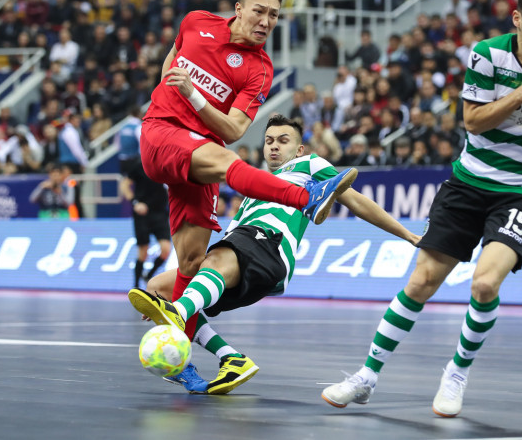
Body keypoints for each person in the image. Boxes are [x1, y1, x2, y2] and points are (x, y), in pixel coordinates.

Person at [321, 0, 522, 417]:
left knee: (484, 284)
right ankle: (366, 376)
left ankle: (457, 373)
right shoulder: (486, 54)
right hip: (469, 182)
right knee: (421, 281)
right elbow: (474, 121)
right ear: (517, 19)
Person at [136, 0, 358, 360]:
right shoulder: (196, 22)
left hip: (202, 154)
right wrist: (168, 98)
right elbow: (172, 59)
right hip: (162, 132)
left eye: (274, 15)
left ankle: (209, 360)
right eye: (259, 11)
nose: (266, 21)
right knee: (230, 163)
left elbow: (235, 129)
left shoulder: (260, 69)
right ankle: (306, 198)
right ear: (238, 9)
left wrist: (193, 95)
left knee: (190, 266)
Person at [130, 115, 420, 394]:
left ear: (299, 149)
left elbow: (357, 201)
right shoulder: (253, 184)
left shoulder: (309, 165)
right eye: (269, 141)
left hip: (270, 246)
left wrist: (408, 234)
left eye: (283, 140)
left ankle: (179, 312)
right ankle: (231, 358)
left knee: (188, 291)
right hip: (242, 253)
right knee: (159, 288)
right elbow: (232, 235)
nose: (274, 146)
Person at [119, 160, 171, 288]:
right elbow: (124, 184)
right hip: (143, 214)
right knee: (143, 251)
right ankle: (136, 286)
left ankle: (149, 275)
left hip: (160, 213)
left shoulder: (166, 164)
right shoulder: (140, 165)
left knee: (166, 249)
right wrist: (135, 202)